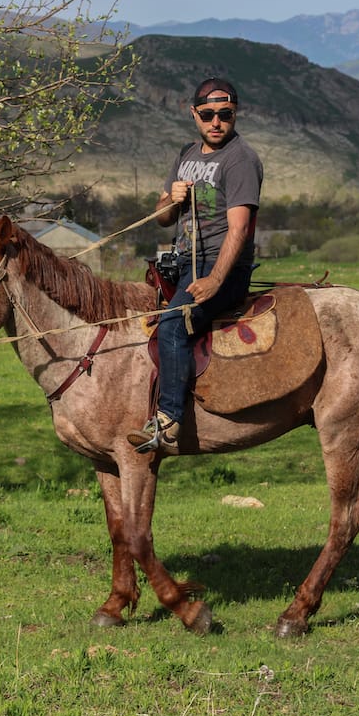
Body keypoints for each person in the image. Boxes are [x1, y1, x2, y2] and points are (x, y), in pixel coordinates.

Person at [128, 77, 263, 454]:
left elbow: (239, 228)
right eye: (208, 115)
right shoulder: (186, 154)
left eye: (225, 114)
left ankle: (168, 423)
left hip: (222, 266)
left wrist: (216, 281)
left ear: (235, 114)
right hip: (184, 261)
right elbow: (162, 218)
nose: (216, 122)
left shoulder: (241, 160)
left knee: (173, 323)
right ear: (194, 114)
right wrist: (170, 200)